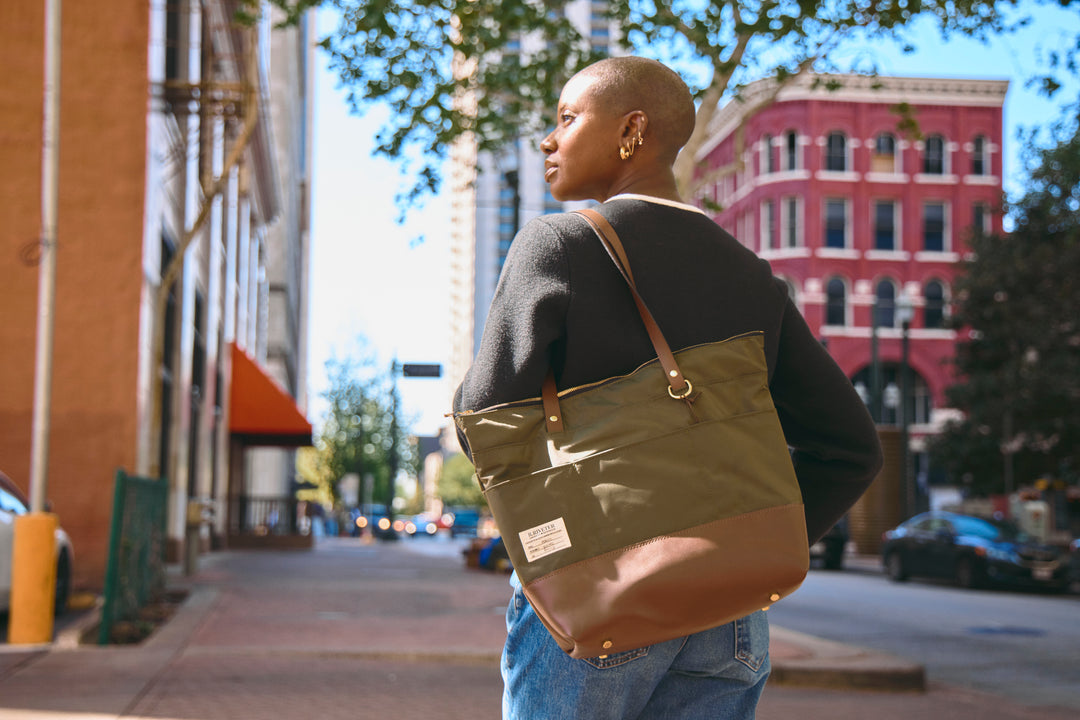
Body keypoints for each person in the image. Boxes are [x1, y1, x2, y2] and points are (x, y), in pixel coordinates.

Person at [454, 56, 882, 720]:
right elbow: (854, 450)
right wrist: (750, 547)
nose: (549, 138)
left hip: (600, 597)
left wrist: (555, 549)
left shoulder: (557, 245)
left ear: (631, 133)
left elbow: (485, 418)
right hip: (733, 616)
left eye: (567, 119)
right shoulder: (751, 276)